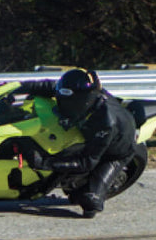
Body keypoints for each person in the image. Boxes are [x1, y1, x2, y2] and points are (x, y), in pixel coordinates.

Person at [18, 68, 139, 218]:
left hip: (115, 153)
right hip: (86, 136)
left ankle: (96, 195)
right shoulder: (78, 94)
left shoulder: (106, 123)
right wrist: (15, 87)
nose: (64, 104)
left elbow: (87, 161)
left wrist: (45, 163)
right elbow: (47, 87)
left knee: (90, 203)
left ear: (86, 100)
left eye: (70, 102)